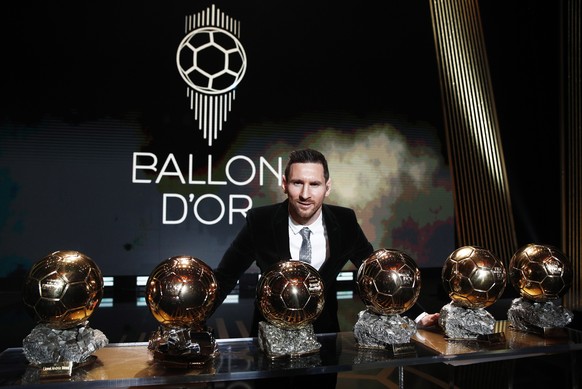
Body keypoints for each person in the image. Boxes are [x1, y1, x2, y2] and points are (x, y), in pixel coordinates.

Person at [211, 148, 439, 388]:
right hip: (272, 344)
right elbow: (225, 277)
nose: (305, 194)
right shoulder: (260, 221)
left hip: (325, 342)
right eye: (298, 183)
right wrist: (186, 321)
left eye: (315, 184)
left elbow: (379, 275)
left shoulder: (345, 221)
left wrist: (420, 316)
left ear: (327, 187)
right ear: (284, 184)